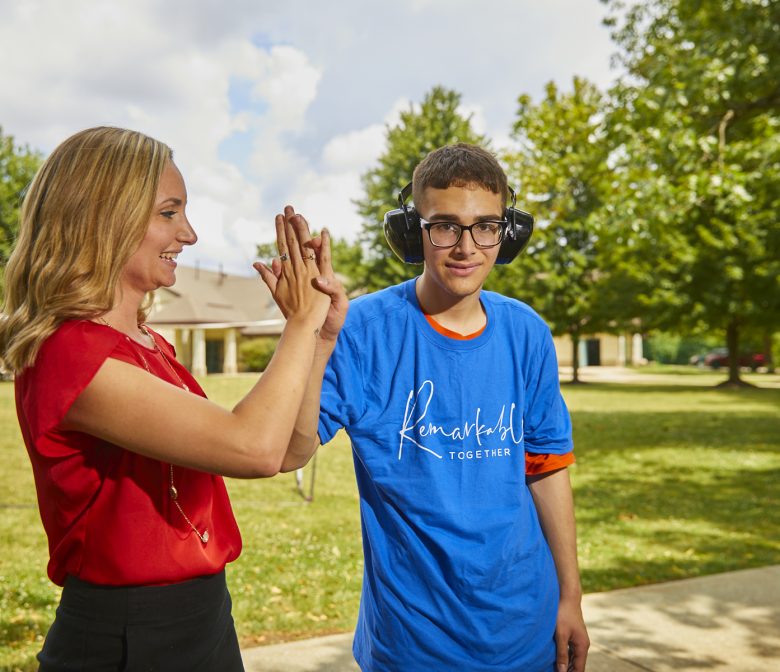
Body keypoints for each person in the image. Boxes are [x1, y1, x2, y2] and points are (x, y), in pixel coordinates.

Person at [0, 126, 345, 671]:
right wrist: (299, 324)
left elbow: (286, 452)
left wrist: (319, 338)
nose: (189, 233)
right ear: (103, 217)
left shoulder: (150, 345)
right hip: (130, 635)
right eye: (169, 212)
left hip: (203, 618)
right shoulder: (70, 352)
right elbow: (251, 448)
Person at [288, 143, 590, 671]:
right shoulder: (361, 331)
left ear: (507, 231)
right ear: (413, 231)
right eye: (445, 226)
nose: (466, 247)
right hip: (413, 643)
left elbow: (546, 469)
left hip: (526, 631)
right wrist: (312, 339)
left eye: (486, 226)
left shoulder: (527, 333)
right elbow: (290, 452)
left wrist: (571, 597)